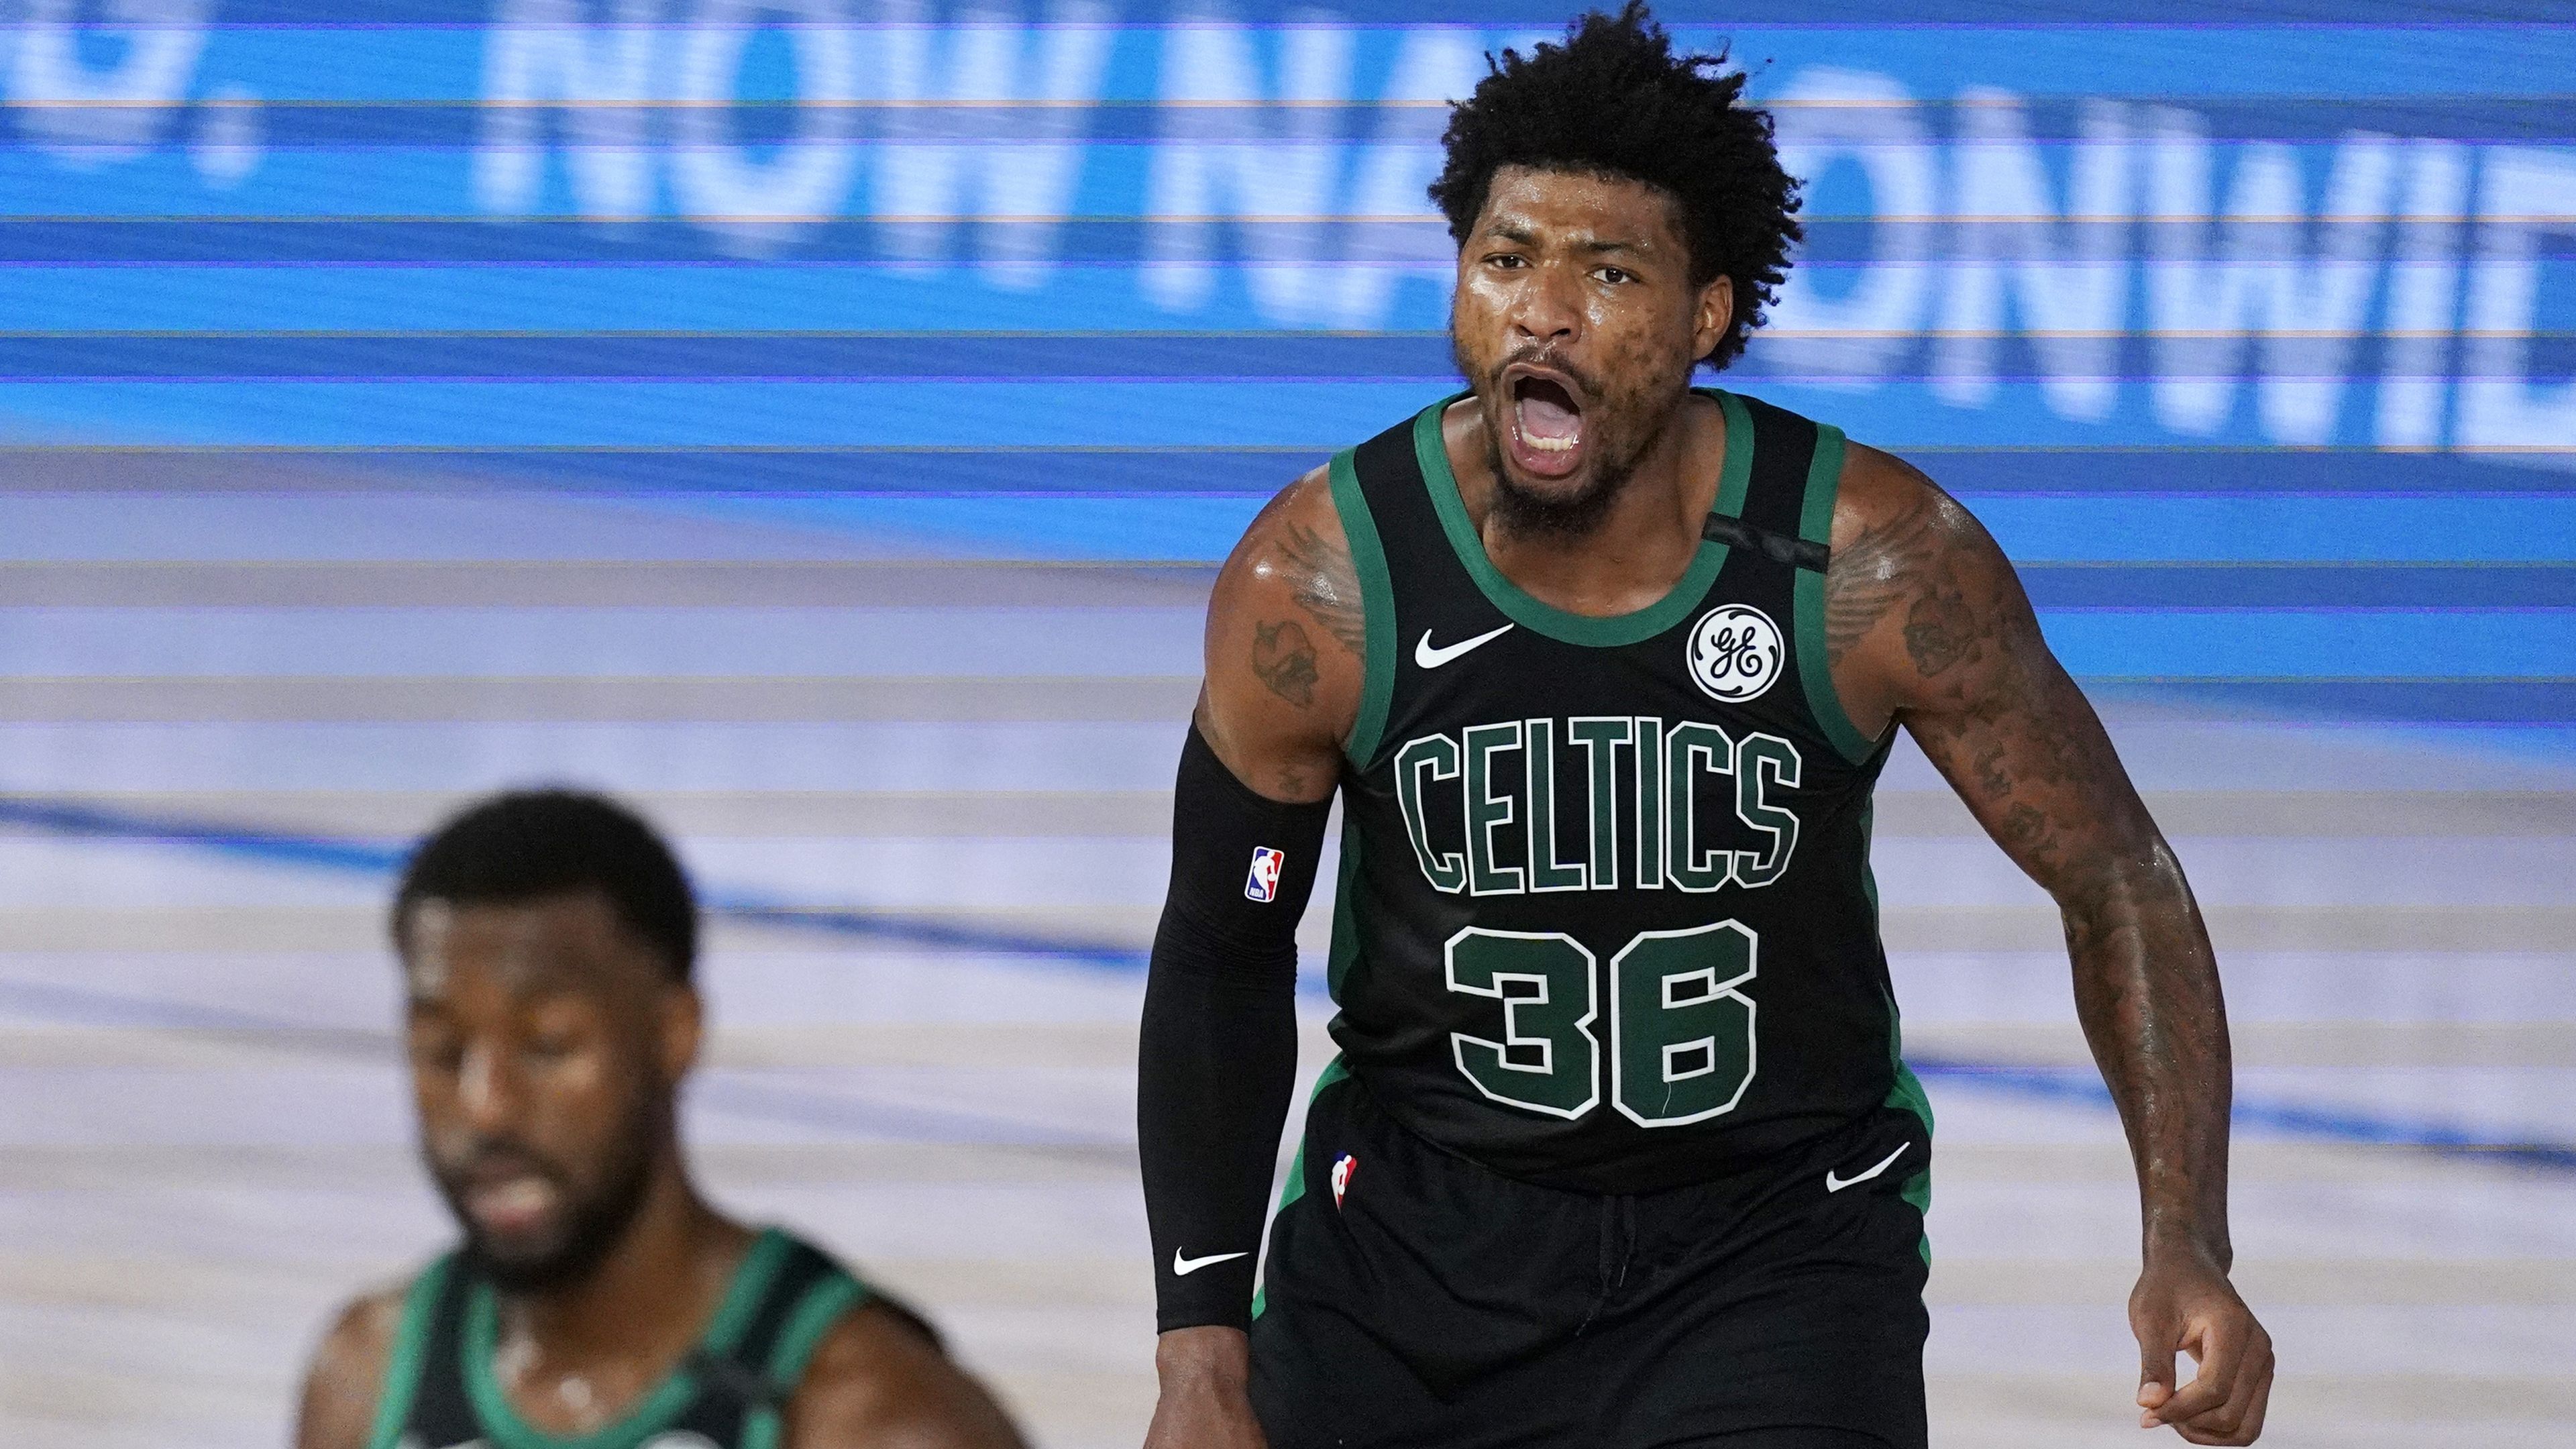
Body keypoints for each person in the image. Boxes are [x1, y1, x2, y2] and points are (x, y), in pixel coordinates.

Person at [1133, 6, 2273, 1447]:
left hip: (1773, 1255)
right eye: (1505, 261)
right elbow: (1223, 947)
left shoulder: (1872, 562)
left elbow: (2116, 877)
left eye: (1609, 273)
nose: (1544, 312)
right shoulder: (1321, 582)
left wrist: (2187, 1241)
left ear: (1706, 318)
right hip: (1412, 1255)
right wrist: (1199, 1353)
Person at [294, 790, 1026, 1449]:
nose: (487, 1106)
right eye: (441, 1051)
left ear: (675, 1033)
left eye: (549, 1045)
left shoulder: (880, 1418)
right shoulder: (364, 1380)